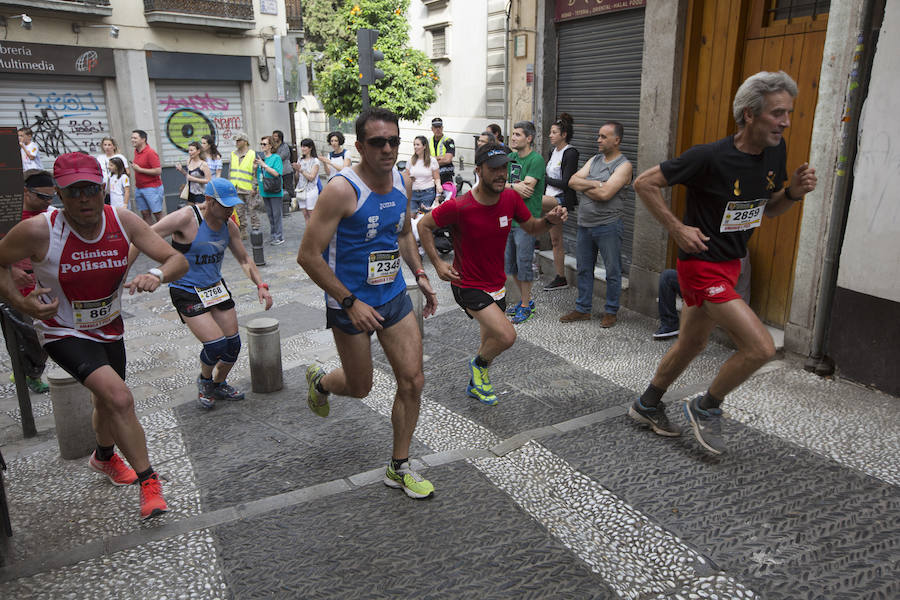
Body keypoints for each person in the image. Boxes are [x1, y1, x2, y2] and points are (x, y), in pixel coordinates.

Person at [629, 70, 817, 455]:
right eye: (777, 113)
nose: (785, 122)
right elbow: (644, 183)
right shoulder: (708, 156)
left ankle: (646, 404)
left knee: (691, 344)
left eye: (788, 114)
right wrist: (677, 229)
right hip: (701, 266)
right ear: (749, 114)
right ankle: (707, 406)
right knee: (761, 348)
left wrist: (793, 194)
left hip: (733, 262)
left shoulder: (775, 152)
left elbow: (769, 210)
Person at [0, 152, 189, 518]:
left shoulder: (123, 220)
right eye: (73, 192)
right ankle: (149, 482)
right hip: (62, 330)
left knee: (105, 401)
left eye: (90, 189)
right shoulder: (40, 229)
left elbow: (177, 259)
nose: (84, 199)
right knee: (119, 397)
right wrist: (23, 303)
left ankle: (103, 458)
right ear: (58, 194)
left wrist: (157, 275)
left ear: (103, 187)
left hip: (109, 328)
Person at [297, 107, 438, 500]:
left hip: (391, 294)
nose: (388, 149)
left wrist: (421, 276)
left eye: (394, 140)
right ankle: (321, 381)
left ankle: (399, 465)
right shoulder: (341, 190)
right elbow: (308, 255)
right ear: (360, 146)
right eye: (378, 143)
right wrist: (349, 301)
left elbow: (403, 233)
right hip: (349, 302)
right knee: (360, 387)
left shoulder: (401, 179)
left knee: (413, 381)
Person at [417, 143, 567, 405]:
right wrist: (438, 264)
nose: (501, 174)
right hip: (468, 283)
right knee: (506, 336)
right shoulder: (460, 206)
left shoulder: (510, 199)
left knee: (489, 341)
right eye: (494, 168)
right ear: (479, 170)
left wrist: (549, 221)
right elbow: (424, 225)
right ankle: (477, 366)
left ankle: (476, 383)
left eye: (504, 168)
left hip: (497, 284)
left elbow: (532, 227)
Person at [130, 178, 273, 409]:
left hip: (215, 288)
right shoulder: (186, 218)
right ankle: (205, 381)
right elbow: (140, 236)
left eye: (232, 205)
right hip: (186, 289)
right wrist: (125, 273)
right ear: (209, 201)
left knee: (232, 345)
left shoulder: (229, 226)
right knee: (215, 345)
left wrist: (261, 285)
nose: (230, 210)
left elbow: (245, 259)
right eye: (225, 205)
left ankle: (218, 383)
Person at [560, 121, 633, 328]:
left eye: (603, 136)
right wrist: (595, 183)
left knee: (612, 270)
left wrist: (589, 186)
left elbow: (606, 194)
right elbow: (572, 180)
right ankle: (583, 309)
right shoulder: (594, 160)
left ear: (616, 140)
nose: (598, 140)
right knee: (584, 268)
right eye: (598, 136)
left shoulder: (624, 166)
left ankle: (611, 311)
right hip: (585, 224)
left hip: (608, 225)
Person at [1, 170, 56, 394]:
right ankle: (28, 372)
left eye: (51, 197)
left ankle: (29, 369)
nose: (47, 202)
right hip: (13, 285)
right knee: (24, 334)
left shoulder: (50, 213)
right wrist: (12, 270)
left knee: (47, 334)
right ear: (25, 192)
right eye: (41, 197)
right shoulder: (8, 215)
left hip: (42, 282)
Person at [503, 120, 546, 324]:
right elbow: (494, 182)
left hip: (526, 222)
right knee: (510, 266)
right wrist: (512, 186)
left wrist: (506, 186)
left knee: (524, 264)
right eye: (513, 134)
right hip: (509, 220)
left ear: (529, 138)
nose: (513, 138)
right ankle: (525, 301)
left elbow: (528, 187)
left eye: (518, 134)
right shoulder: (510, 157)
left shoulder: (535, 160)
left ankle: (525, 306)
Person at [654, 254, 752, 340]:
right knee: (668, 276)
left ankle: (691, 336)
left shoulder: (738, 250)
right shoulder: (716, 245)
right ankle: (670, 324)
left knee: (699, 288)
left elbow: (721, 279)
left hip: (728, 298)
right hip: (710, 289)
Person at [542, 113, 579, 291]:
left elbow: (565, 183)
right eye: (550, 132)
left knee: (530, 201)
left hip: (561, 199)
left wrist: (543, 178)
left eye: (554, 132)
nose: (550, 135)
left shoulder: (570, 153)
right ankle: (561, 277)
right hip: (549, 197)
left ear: (563, 135)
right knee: (555, 240)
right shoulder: (552, 152)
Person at [130, 129, 164, 225]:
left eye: (135, 138)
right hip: (139, 188)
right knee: (145, 214)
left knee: (157, 214)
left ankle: (165, 236)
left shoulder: (150, 152)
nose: (132, 140)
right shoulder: (136, 151)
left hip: (152, 188)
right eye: (132, 138)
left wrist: (140, 170)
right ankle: (151, 236)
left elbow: (158, 171)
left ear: (143, 139)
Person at [228, 131, 258, 239]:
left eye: (239, 140)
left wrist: (254, 186)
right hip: (236, 187)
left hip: (249, 188)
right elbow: (230, 171)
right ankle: (243, 230)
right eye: (236, 140)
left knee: (252, 210)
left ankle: (256, 230)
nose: (236, 142)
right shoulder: (233, 154)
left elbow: (256, 172)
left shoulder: (253, 154)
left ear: (245, 142)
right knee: (239, 211)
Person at [255, 136, 284, 245]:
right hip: (264, 190)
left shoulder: (276, 158)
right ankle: (273, 235)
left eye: (264, 144)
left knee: (277, 215)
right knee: (270, 215)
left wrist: (264, 165)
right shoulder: (261, 158)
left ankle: (279, 236)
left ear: (270, 146)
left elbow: (277, 173)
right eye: (261, 144)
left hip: (274, 190)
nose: (262, 146)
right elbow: (259, 175)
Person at [403, 135, 441, 213]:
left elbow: (437, 178)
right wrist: (410, 179)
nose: (415, 147)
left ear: (424, 146)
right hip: (413, 193)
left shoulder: (432, 161)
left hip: (427, 193)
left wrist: (439, 187)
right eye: (414, 145)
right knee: (411, 218)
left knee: (424, 219)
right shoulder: (410, 161)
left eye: (418, 145)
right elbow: (406, 179)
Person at [292, 138, 321, 222]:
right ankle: (309, 233)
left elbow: (311, 177)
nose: (303, 148)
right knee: (305, 214)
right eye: (302, 146)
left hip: (311, 190)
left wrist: (301, 170)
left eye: (305, 146)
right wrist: (296, 170)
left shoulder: (315, 161)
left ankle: (315, 233)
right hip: (301, 189)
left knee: (311, 214)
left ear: (310, 148)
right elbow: (297, 177)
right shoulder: (300, 159)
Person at [96, 137, 129, 204]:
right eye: (105, 145)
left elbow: (127, 172)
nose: (107, 147)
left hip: (118, 189)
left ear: (114, 146)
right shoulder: (99, 158)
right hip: (105, 188)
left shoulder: (120, 157)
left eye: (109, 145)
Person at [429, 117, 456, 190]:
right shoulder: (428, 141)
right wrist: (440, 157)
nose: (438, 129)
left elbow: (447, 160)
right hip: (432, 177)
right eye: (435, 127)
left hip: (445, 176)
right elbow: (424, 159)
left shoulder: (449, 141)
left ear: (442, 128)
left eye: (439, 127)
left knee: (447, 199)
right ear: (432, 129)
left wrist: (432, 159)